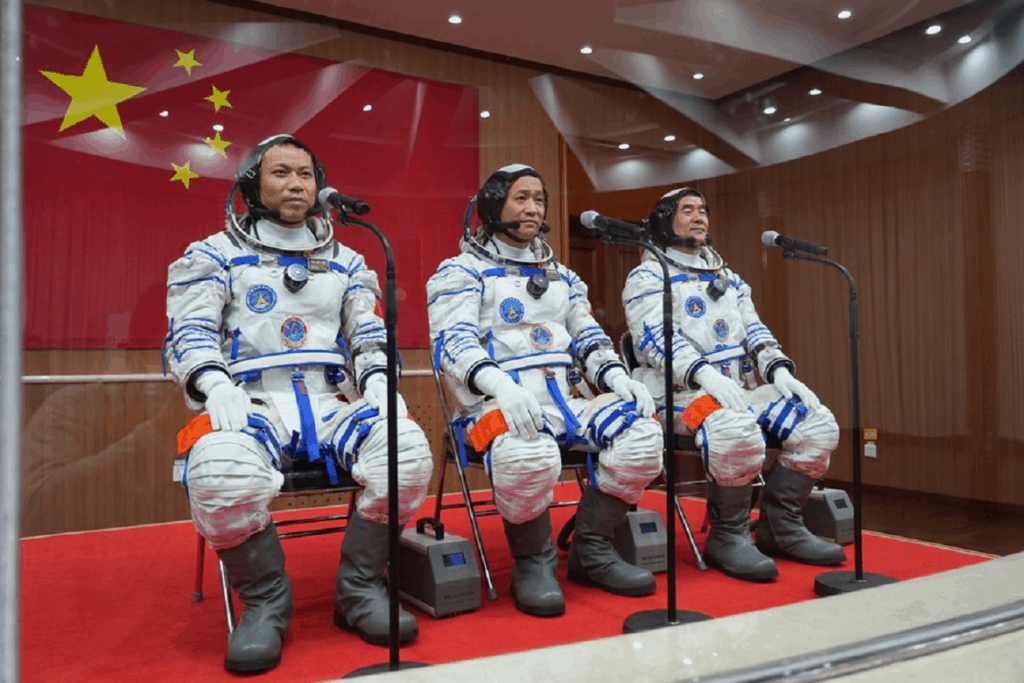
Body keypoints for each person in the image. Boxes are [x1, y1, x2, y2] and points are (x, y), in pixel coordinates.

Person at [165, 134, 433, 673]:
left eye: (305, 174)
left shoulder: (348, 261)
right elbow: (190, 331)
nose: (296, 184)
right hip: (250, 401)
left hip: (330, 399)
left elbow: (368, 334)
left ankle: (360, 589)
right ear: (252, 185)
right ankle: (265, 601)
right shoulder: (214, 255)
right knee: (220, 471)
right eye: (281, 173)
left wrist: (379, 381)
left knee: (406, 451)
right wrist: (215, 385)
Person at [426, 164, 664, 617]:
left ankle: (592, 550)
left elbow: (589, 338)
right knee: (526, 454)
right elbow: (453, 344)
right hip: (491, 408)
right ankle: (533, 563)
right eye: (521, 198)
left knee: (643, 435)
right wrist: (501, 386)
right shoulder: (460, 272)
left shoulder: (564, 278)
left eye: (539, 199)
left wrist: (618, 378)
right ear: (493, 205)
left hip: (566, 404)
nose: (532, 208)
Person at [622, 187, 846, 583]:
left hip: (736, 391)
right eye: (687, 210)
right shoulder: (648, 277)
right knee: (733, 428)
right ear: (663, 221)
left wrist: (779, 372)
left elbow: (754, 330)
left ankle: (780, 527)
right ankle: (727, 536)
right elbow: (656, 339)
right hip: (677, 395)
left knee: (817, 424)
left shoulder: (726, 277)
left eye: (703, 210)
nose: (699, 217)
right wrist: (704, 374)